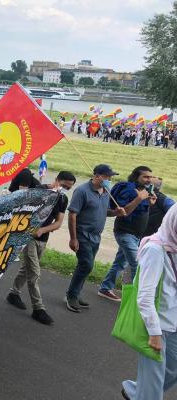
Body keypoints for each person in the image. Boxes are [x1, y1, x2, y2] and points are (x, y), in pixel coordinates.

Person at [120, 205, 177, 400]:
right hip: (156, 325)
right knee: (152, 388)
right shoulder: (155, 250)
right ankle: (143, 393)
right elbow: (144, 297)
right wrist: (154, 333)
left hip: (174, 322)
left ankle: (135, 391)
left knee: (173, 370)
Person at [7, 171, 76, 325]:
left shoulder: (62, 199)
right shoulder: (38, 191)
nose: (65, 189)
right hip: (28, 236)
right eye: (64, 185)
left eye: (68, 188)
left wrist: (43, 230)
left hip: (42, 238)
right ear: (57, 180)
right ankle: (38, 308)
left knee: (27, 269)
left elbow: (58, 223)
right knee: (34, 273)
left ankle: (13, 293)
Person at [65, 164, 126, 312]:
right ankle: (71, 295)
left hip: (96, 237)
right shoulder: (82, 191)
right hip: (82, 235)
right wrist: (73, 239)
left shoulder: (106, 192)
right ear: (97, 176)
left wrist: (116, 212)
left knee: (85, 266)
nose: (109, 180)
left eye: (110, 177)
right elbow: (72, 215)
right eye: (106, 177)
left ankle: (75, 293)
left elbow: (104, 212)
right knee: (86, 265)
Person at [98, 166, 157, 302]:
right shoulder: (129, 189)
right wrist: (138, 199)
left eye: (150, 177)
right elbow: (123, 212)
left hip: (135, 235)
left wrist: (149, 202)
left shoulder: (144, 191)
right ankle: (140, 300)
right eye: (145, 177)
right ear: (136, 176)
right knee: (139, 264)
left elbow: (139, 211)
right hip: (125, 233)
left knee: (120, 263)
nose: (149, 179)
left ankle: (105, 288)